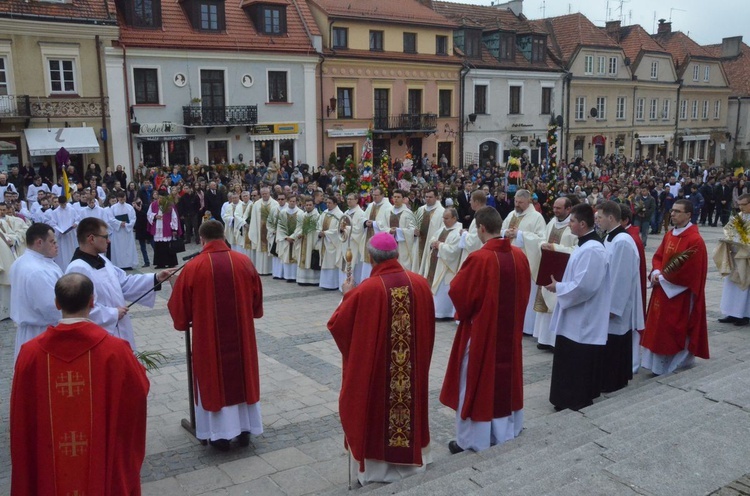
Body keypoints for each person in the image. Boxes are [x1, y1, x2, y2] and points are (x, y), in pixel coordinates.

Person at [11, 273, 149, 495]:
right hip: (100, 461)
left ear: (57, 304)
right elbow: (138, 392)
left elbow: (22, 416)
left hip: (49, 466)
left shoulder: (30, 354)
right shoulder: (115, 350)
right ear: (92, 301)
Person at [327, 232, 435, 485]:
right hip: (411, 370)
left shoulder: (366, 290)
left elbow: (339, 325)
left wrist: (347, 295)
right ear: (396, 254)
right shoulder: (420, 283)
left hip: (377, 374)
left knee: (374, 410)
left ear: (371, 259)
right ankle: (412, 460)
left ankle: (377, 469)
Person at [168, 220, 264, 451]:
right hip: (242, 338)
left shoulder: (193, 267)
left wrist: (175, 288)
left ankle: (219, 435)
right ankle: (244, 430)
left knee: (214, 379)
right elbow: (256, 303)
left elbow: (180, 313)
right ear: (224, 235)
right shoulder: (244, 262)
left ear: (201, 239)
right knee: (242, 377)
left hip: (208, 340)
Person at [440, 207, 530, 453]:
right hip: (509, 335)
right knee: (505, 383)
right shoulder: (519, 256)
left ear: (480, 228)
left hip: (482, 334)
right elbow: (524, 293)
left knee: (474, 384)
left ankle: (471, 440)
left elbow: (459, 293)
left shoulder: (480, 258)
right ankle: (506, 431)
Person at [66, 217, 174, 350]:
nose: (109, 241)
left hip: (119, 330)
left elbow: (124, 283)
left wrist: (156, 278)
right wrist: (112, 313)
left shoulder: (102, 260)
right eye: (105, 237)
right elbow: (79, 310)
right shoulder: (78, 268)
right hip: (99, 338)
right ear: (91, 239)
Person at [545, 203, 611, 411]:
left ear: (582, 224)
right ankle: (565, 397)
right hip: (574, 315)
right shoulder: (584, 245)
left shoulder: (593, 249)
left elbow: (585, 286)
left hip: (583, 317)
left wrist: (559, 287)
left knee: (577, 360)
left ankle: (575, 398)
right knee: (569, 357)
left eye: (572, 221)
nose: (569, 224)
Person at [641, 199, 709, 375]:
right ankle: (656, 364)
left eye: (678, 211)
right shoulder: (670, 234)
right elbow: (659, 256)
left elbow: (690, 271)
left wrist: (662, 278)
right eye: (672, 211)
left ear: (688, 215)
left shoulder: (695, 240)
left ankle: (676, 362)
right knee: (658, 327)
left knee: (672, 328)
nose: (673, 214)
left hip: (679, 294)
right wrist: (656, 272)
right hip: (662, 288)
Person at [595, 201, 644, 393]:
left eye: (599, 217)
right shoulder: (610, 238)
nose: (597, 221)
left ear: (610, 218)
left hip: (617, 304)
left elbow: (620, 278)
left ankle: (615, 380)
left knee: (616, 342)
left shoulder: (622, 241)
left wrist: (613, 308)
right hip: (607, 300)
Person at [9, 222, 63, 360]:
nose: (56, 245)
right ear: (39, 242)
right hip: (42, 332)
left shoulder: (21, 261)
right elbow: (51, 308)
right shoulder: (36, 270)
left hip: (31, 331)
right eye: (52, 241)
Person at [531, 197, 578, 350]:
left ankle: (554, 341)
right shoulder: (552, 222)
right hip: (547, 266)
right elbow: (541, 239)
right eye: (554, 207)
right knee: (545, 302)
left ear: (568, 209)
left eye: (559, 208)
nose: (555, 210)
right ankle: (544, 338)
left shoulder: (574, 226)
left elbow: (577, 250)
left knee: (556, 302)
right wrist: (542, 245)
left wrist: (556, 248)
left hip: (563, 270)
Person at [502, 189, 547, 335]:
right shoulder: (511, 214)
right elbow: (501, 229)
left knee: (524, 294)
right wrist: (505, 233)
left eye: (520, 202)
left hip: (526, 262)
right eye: (516, 201)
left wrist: (520, 235)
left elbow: (541, 239)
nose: (517, 204)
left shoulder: (537, 218)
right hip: (509, 260)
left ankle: (526, 327)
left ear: (529, 201)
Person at [717, 193, 750, 326]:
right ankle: (731, 312)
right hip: (734, 255)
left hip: (745, 257)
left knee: (743, 285)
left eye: (744, 205)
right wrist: (728, 239)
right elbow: (728, 230)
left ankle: (744, 315)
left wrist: (741, 236)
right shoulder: (738, 217)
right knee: (731, 285)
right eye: (739, 205)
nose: (741, 208)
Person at [424, 207, 462, 319]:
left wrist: (439, 245)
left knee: (442, 289)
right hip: (435, 263)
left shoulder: (458, 232)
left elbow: (454, 251)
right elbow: (433, 239)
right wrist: (433, 243)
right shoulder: (442, 229)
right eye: (443, 218)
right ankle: (433, 310)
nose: (444, 220)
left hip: (445, 267)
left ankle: (443, 313)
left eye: (447, 218)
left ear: (454, 218)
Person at [360, 187, 393, 279]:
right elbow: (363, 217)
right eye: (373, 195)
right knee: (367, 262)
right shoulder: (371, 205)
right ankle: (366, 281)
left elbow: (387, 224)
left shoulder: (388, 207)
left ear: (382, 195)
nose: (374, 197)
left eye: (376, 195)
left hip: (379, 240)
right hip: (368, 236)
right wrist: (365, 222)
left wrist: (374, 223)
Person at [413, 188, 445, 273]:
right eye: (426, 197)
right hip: (420, 243)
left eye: (430, 197)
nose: (427, 199)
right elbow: (413, 224)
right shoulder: (420, 209)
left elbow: (443, 229)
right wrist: (414, 231)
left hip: (431, 244)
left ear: (436, 197)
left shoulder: (441, 212)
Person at [147, 189, 181, 268]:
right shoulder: (153, 204)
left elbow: (174, 217)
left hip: (167, 228)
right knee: (159, 246)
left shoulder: (170, 205)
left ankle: (171, 263)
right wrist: (155, 216)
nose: (160, 199)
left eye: (162, 198)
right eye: (159, 197)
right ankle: (160, 263)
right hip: (158, 228)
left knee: (168, 246)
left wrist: (174, 229)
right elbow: (149, 214)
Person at [338, 193, 366, 287]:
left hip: (354, 243)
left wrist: (347, 228)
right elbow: (341, 226)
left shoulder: (361, 213)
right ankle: (344, 286)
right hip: (345, 242)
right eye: (348, 199)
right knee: (345, 263)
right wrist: (341, 229)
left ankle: (354, 285)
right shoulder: (345, 213)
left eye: (351, 199)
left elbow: (359, 229)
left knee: (354, 264)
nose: (349, 201)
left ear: (356, 200)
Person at [248, 186, 279, 275]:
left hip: (270, 231)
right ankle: (260, 270)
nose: (264, 195)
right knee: (261, 249)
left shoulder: (275, 204)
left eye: (266, 193)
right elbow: (253, 219)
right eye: (263, 194)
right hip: (259, 231)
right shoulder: (257, 204)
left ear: (269, 193)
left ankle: (270, 270)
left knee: (269, 247)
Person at [108, 191, 138, 270]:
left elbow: (133, 218)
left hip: (127, 231)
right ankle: (118, 265)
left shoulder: (129, 207)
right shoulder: (113, 208)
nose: (122, 200)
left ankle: (129, 263)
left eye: (124, 198)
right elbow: (111, 219)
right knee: (118, 249)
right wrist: (120, 223)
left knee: (128, 248)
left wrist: (127, 225)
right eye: (121, 199)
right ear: (118, 198)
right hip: (118, 232)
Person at [388, 190, 417, 270]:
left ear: (403, 199)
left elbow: (413, 231)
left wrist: (398, 231)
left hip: (402, 247)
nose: (396, 199)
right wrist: (389, 231)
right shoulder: (387, 211)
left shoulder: (408, 213)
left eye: (398, 197)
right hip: (388, 246)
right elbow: (382, 226)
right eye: (394, 197)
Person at [48, 195, 79, 270]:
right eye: (61, 204)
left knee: (72, 251)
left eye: (64, 204)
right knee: (62, 254)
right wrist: (59, 230)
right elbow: (53, 224)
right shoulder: (55, 212)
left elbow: (78, 219)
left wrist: (76, 224)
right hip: (61, 235)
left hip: (70, 234)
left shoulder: (72, 210)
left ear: (66, 202)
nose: (63, 206)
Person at [318, 196, 343, 290]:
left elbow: (339, 229)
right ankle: (325, 283)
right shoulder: (324, 213)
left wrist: (326, 233)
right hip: (324, 241)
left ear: (335, 203)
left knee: (331, 262)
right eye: (327, 203)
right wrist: (320, 232)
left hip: (332, 242)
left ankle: (333, 284)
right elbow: (318, 224)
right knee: (325, 261)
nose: (327, 204)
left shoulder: (339, 214)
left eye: (330, 203)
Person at [295, 196, 321, 286]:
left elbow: (317, 229)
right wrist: (298, 234)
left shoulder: (317, 216)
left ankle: (313, 280)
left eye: (310, 205)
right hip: (303, 241)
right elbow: (299, 227)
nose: (308, 206)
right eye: (307, 205)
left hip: (312, 242)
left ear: (314, 205)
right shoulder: (303, 215)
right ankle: (302, 279)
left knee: (310, 258)